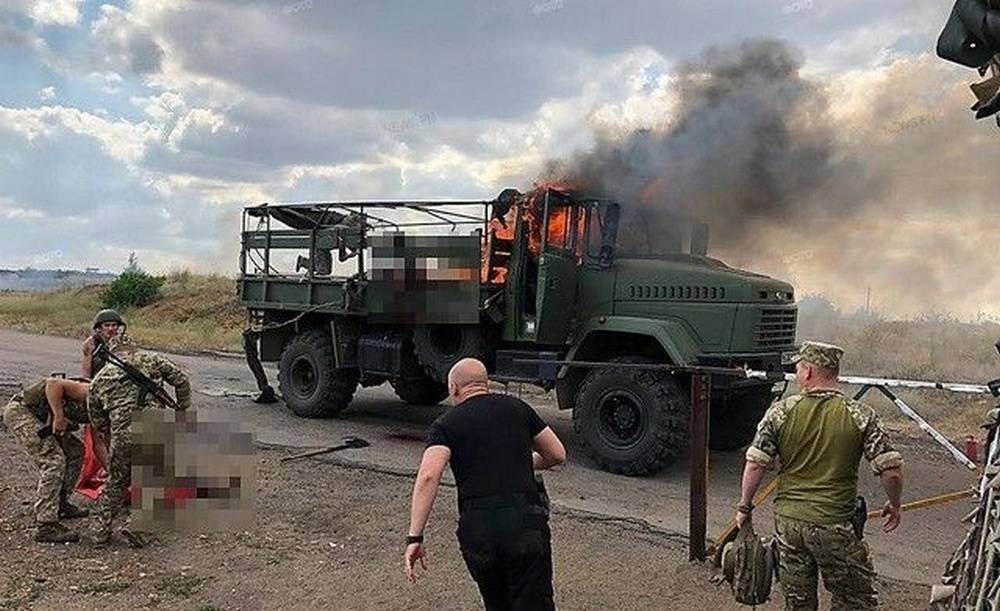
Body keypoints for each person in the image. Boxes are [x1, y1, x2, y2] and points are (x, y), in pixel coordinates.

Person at [735, 341, 904, 610]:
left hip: (789, 525)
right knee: (854, 600)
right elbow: (891, 473)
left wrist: (745, 507)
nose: (798, 374)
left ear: (809, 371)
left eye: (799, 368)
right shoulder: (860, 415)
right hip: (835, 524)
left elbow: (755, 464)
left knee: (798, 602)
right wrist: (894, 504)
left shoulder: (780, 412)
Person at [404, 358, 566, 610]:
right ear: (487, 385)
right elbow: (557, 454)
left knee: (497, 602)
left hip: (480, 532)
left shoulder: (446, 424)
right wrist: (517, 463)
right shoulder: (518, 408)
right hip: (526, 526)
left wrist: (415, 537)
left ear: (453, 388)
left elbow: (428, 476)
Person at [87, 341, 191, 547]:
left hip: (122, 436)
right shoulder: (152, 360)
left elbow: (97, 420)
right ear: (132, 350)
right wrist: (182, 406)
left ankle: (99, 532)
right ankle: (136, 526)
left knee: (116, 481)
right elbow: (181, 379)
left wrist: (113, 428)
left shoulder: (98, 380)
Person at [2, 377, 97, 542]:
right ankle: (46, 524)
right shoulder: (90, 391)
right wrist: (59, 416)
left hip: (43, 417)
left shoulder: (105, 411)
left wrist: (112, 471)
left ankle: (60, 504)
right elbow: (53, 383)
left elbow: (99, 443)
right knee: (53, 461)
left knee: (76, 451)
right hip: (23, 411)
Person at [82, 309, 125, 379]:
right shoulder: (91, 343)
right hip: (98, 380)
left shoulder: (124, 341)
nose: (110, 329)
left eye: (114, 325)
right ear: (100, 327)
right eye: (107, 325)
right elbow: (86, 370)